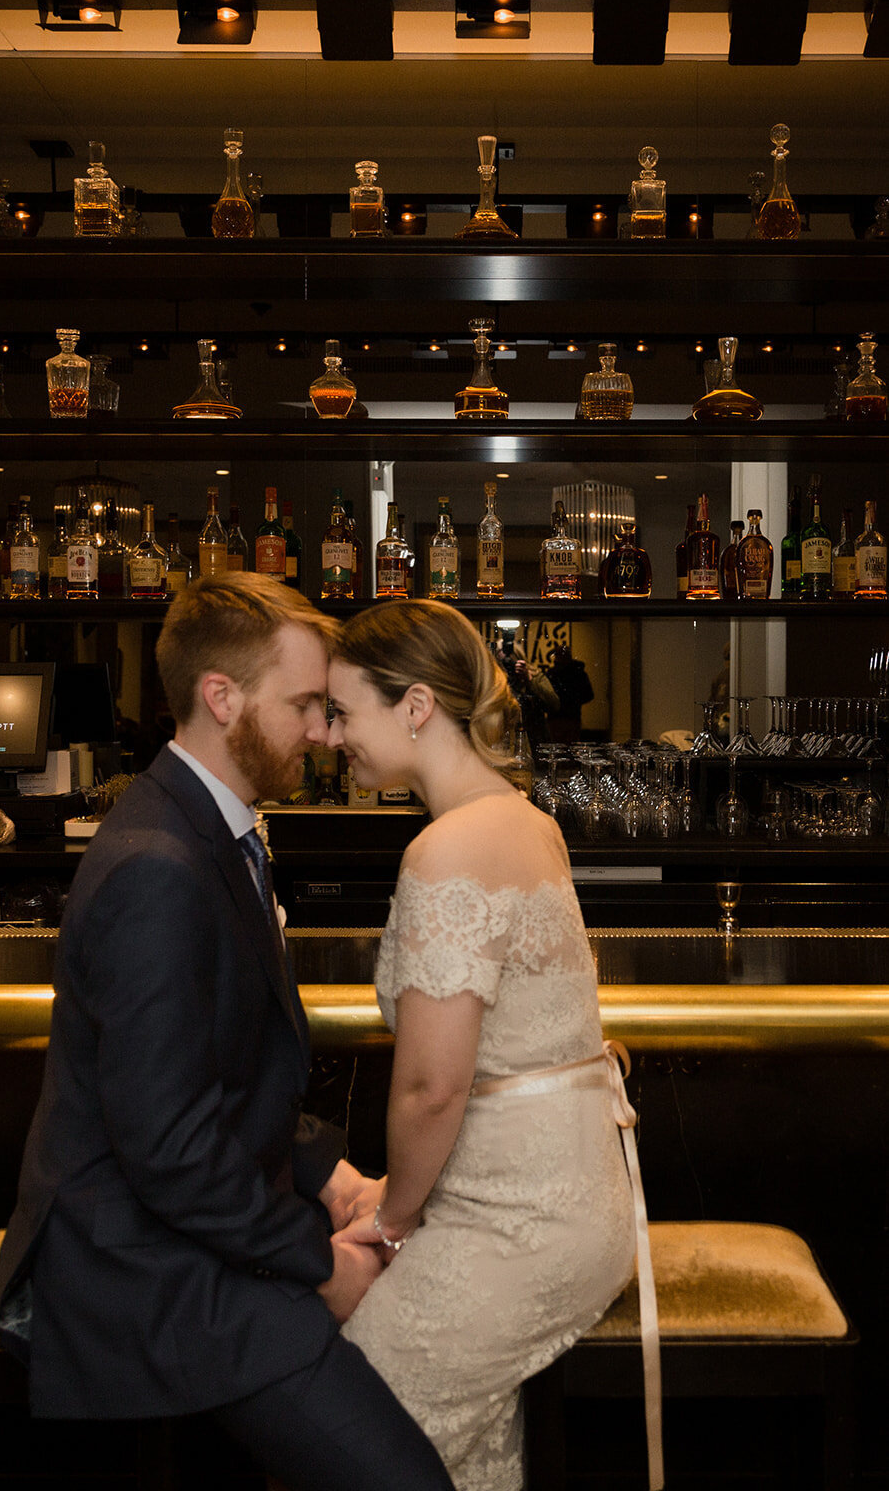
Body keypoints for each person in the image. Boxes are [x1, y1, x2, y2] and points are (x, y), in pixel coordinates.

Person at [0, 574, 454, 1491]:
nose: (323, 733)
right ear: (221, 697)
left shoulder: (208, 829)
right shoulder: (158, 866)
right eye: (303, 706)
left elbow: (226, 1079)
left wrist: (334, 1178)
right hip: (137, 1273)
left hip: (193, 1236)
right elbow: (165, 1147)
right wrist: (314, 1265)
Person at [325, 600, 640, 1491]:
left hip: (523, 1224)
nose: (330, 734)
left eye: (345, 710)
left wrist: (390, 1224)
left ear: (416, 706)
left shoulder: (446, 849)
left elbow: (432, 1085)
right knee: (460, 1450)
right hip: (561, 1198)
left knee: (348, 1425)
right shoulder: (523, 818)